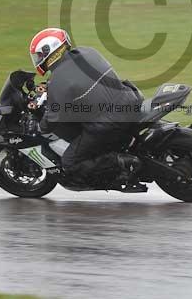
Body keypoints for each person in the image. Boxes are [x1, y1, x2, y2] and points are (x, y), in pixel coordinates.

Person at [29, 27, 143, 187]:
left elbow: (54, 116)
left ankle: (120, 162)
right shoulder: (88, 52)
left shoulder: (58, 80)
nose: (38, 59)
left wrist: (39, 127)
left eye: (39, 55)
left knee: (70, 163)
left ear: (50, 52)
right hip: (130, 100)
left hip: (108, 123)